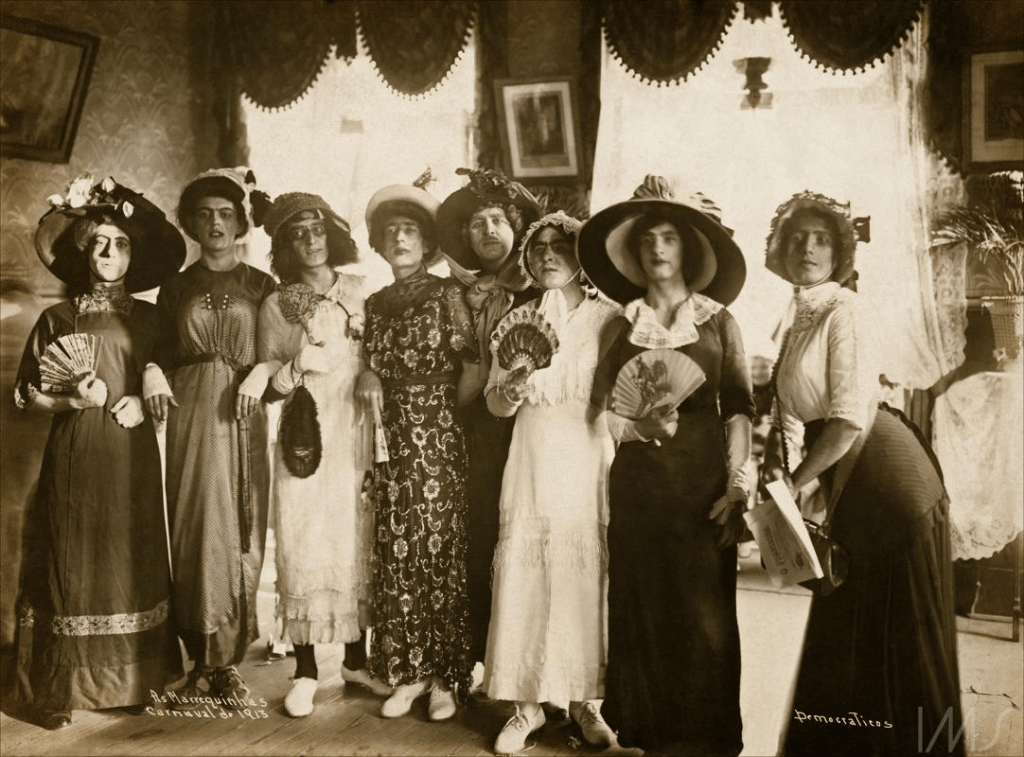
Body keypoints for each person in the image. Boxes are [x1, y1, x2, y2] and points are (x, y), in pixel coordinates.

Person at [758, 191, 964, 757]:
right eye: (798, 238)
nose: (808, 248)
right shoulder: (798, 316)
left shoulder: (843, 310)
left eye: (822, 239)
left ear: (840, 253)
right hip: (852, 479)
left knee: (895, 633)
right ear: (780, 249)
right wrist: (784, 479)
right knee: (849, 624)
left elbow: (848, 419)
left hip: (887, 480)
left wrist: (796, 483)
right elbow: (796, 413)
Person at [581, 176, 754, 756]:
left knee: (705, 616)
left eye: (669, 238)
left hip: (703, 484)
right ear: (635, 252)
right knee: (645, 609)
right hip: (639, 487)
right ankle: (652, 738)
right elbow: (599, 411)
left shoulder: (718, 321)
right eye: (648, 239)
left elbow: (739, 408)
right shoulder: (619, 323)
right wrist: (639, 429)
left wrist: (738, 482)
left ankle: (706, 741)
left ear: (689, 250)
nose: (657, 248)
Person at [13, 175, 186, 729]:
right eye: (100, 243)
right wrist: (71, 399)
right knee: (70, 559)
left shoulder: (154, 320)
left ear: (134, 254)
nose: (110, 253)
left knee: (130, 558)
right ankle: (58, 689)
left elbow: (172, 380)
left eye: (122, 244)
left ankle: (135, 682)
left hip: (132, 455)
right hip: (75, 453)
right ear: (85, 251)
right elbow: (29, 394)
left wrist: (143, 396)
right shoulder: (56, 320)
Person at [483, 212, 620, 754]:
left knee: (585, 576)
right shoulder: (517, 319)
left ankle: (587, 703)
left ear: (580, 256)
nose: (546, 255)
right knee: (529, 571)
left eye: (559, 245)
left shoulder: (610, 320)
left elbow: (626, 397)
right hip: (533, 456)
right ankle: (526, 706)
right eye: (537, 247)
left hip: (587, 455)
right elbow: (494, 404)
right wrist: (511, 390)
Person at [254, 192, 391, 718]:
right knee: (304, 538)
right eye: (298, 234)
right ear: (285, 246)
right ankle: (307, 671)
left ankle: (356, 661)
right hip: (305, 436)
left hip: (356, 430)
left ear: (331, 233)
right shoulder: (277, 304)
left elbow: (382, 356)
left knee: (357, 537)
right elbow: (268, 386)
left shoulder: (361, 292)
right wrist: (294, 368)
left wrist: (372, 370)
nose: (310, 241)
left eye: (316, 229)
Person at [143, 168, 277, 707]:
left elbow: (282, 351)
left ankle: (227, 661)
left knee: (241, 527)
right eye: (204, 215)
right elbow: (157, 350)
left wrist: (263, 370)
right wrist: (153, 372)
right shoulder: (175, 287)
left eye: (225, 214)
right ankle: (199, 657)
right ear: (192, 224)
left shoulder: (262, 285)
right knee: (193, 528)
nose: (215, 224)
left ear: (241, 223)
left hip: (243, 415)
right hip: (190, 415)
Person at [355, 181, 479, 721]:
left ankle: (446, 678)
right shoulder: (375, 304)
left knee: (437, 550)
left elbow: (472, 366)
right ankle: (407, 672)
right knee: (396, 550)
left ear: (426, 242)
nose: (400, 239)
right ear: (379, 245)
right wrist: (368, 374)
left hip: (440, 437)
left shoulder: (447, 294)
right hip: (390, 442)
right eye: (391, 232)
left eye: (409, 231)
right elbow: (369, 363)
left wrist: (442, 414)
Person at [435, 167, 541, 679]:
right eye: (478, 224)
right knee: (477, 535)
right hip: (472, 427)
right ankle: (476, 656)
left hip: (530, 427)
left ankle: (523, 660)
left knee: (520, 535)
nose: (489, 231)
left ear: (516, 229)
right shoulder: (456, 293)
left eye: (498, 220)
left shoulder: (538, 292)